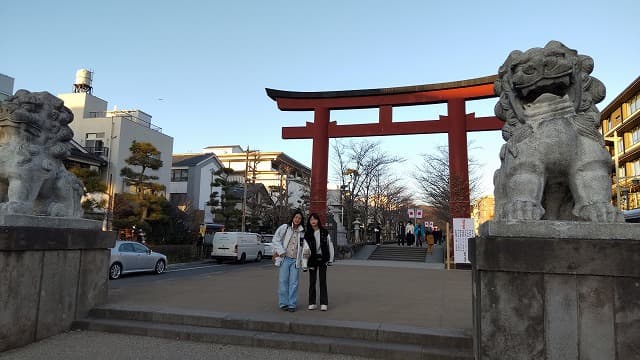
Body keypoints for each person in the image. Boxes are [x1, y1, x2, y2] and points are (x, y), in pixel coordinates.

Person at [272, 210, 305, 312]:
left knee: (294, 283)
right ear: (293, 217)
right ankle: (283, 303)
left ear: (301, 220)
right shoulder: (285, 228)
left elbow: (304, 246)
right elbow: (276, 239)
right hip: (285, 258)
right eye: (296, 217)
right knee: (283, 281)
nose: (297, 220)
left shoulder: (302, 231)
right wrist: (280, 251)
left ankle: (292, 304)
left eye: (299, 218)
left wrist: (304, 261)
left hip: (295, 260)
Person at [303, 213, 335, 311]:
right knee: (312, 281)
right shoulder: (307, 234)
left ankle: (324, 303)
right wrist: (304, 264)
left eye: (315, 219)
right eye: (311, 219)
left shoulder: (324, 232)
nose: (313, 221)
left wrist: (330, 259)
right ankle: (312, 302)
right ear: (309, 221)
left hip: (323, 259)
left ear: (318, 220)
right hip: (312, 259)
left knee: (322, 281)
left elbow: (330, 245)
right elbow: (305, 249)